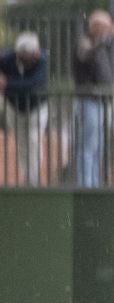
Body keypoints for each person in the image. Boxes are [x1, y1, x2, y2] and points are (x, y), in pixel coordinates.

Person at [72, 11, 114, 189]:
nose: (108, 31)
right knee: (87, 147)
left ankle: (94, 185)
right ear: (96, 27)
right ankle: (86, 186)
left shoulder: (99, 46)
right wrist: (103, 42)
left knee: (97, 149)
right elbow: (85, 55)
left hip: (98, 102)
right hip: (87, 101)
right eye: (105, 27)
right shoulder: (86, 42)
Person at [0, 32, 50, 187]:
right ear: (20, 54)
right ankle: (27, 180)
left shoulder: (41, 60)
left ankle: (32, 180)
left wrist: (8, 84)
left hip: (37, 107)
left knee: (34, 140)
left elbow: (33, 84)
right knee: (21, 143)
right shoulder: (6, 59)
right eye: (28, 55)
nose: (34, 57)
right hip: (14, 107)